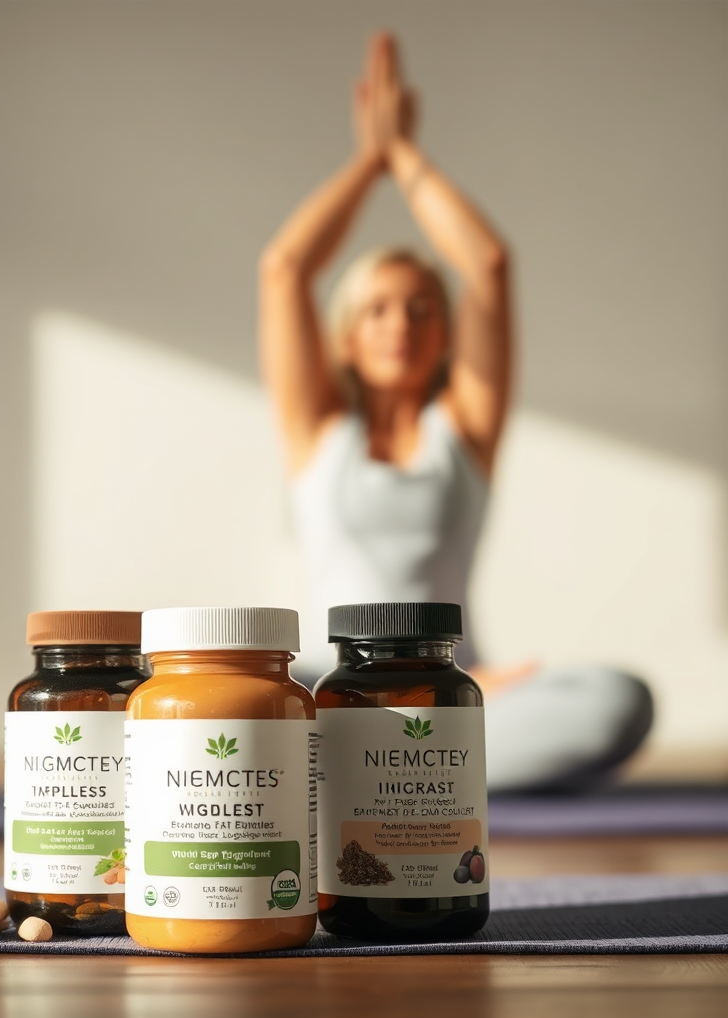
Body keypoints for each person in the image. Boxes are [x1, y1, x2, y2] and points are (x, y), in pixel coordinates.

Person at [258, 32, 652, 791]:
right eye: (376, 309)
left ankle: (365, 773)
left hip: (452, 687)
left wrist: (407, 157)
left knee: (618, 701)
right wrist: (367, 162)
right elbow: (284, 269)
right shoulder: (318, 433)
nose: (399, 326)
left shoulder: (462, 432)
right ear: (346, 332)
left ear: (445, 333)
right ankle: (409, 768)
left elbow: (489, 266)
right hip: (327, 685)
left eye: (420, 309)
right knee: (227, 694)